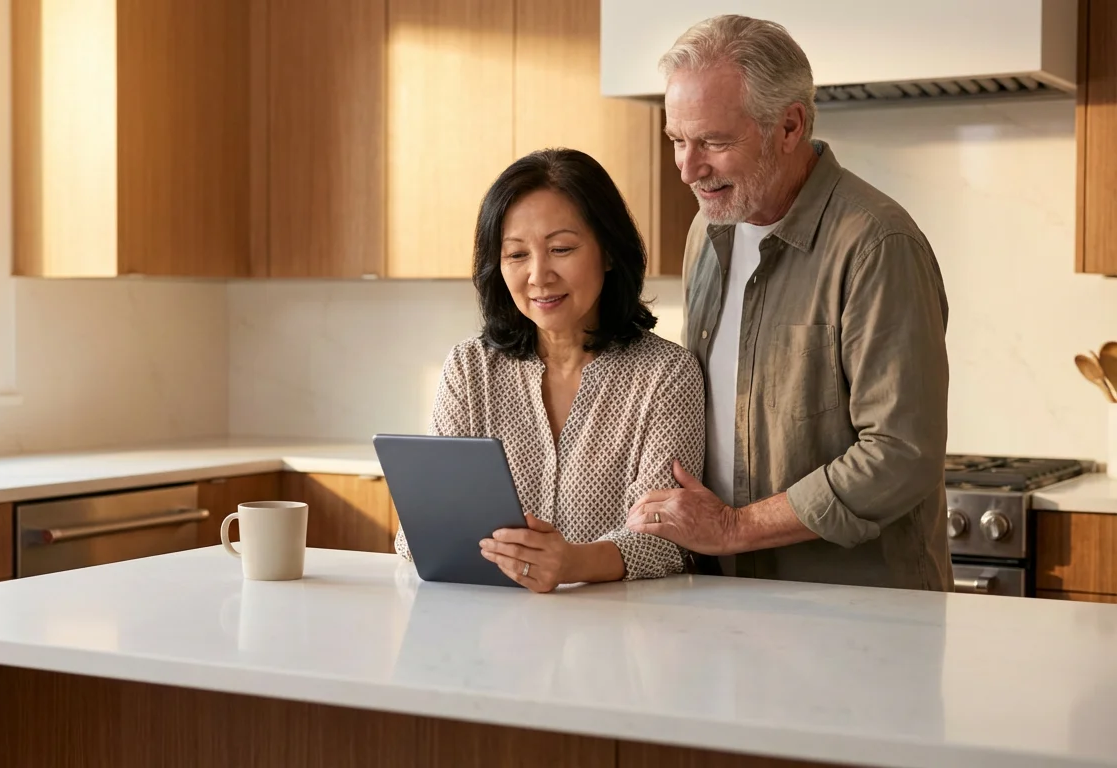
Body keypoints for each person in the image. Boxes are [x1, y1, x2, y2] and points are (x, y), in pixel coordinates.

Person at [624, 15, 952, 591]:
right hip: (729, 598)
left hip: (860, 612)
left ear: (789, 125)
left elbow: (901, 454)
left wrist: (734, 528)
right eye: (677, 140)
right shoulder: (707, 231)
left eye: (714, 142)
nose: (688, 168)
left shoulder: (877, 244)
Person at [392, 148, 706, 593]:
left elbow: (670, 538)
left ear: (608, 252)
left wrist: (575, 562)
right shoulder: (470, 369)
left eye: (561, 249)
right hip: (489, 623)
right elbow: (420, 534)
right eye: (517, 254)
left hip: (621, 624)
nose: (539, 275)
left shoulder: (667, 374)